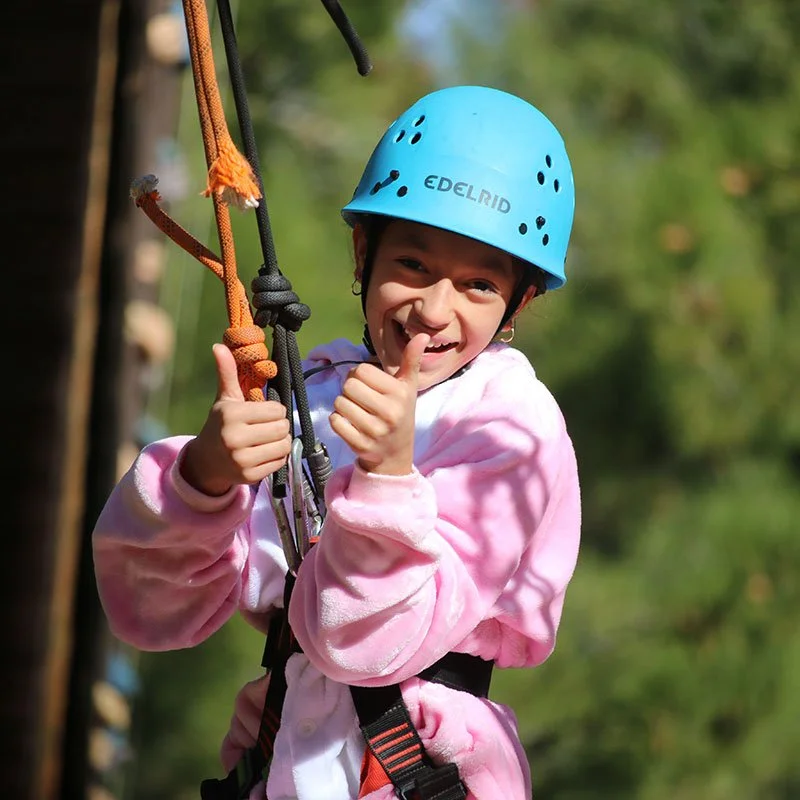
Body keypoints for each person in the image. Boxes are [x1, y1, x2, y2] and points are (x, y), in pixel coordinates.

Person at [93, 85, 582, 800]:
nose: (432, 311)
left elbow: (366, 644)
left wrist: (386, 480)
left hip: (420, 772)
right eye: (413, 265)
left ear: (519, 303)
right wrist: (203, 479)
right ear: (364, 253)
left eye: (478, 283)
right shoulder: (314, 392)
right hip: (279, 760)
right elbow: (155, 614)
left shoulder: (511, 428)